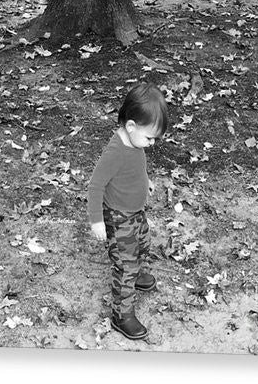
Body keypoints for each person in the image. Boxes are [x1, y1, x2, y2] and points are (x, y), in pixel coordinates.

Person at [87, 81, 168, 340]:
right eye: (150, 137)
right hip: (118, 217)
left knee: (143, 243)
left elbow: (136, 168)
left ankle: (137, 272)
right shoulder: (115, 152)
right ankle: (122, 315)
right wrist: (96, 221)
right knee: (125, 265)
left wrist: (146, 181)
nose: (152, 143)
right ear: (131, 126)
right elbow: (95, 185)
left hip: (136, 211)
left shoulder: (136, 143)